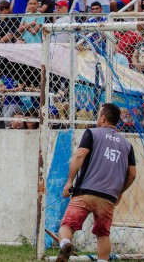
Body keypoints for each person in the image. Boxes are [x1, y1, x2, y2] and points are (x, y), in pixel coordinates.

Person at [56, 103, 137, 262]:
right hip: (108, 197)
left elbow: (79, 156)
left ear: (103, 118)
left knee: (67, 226)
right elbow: (132, 174)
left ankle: (65, 244)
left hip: (85, 192)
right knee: (102, 234)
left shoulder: (92, 133)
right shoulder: (127, 145)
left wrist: (69, 182)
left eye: (98, 114)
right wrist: (120, 191)